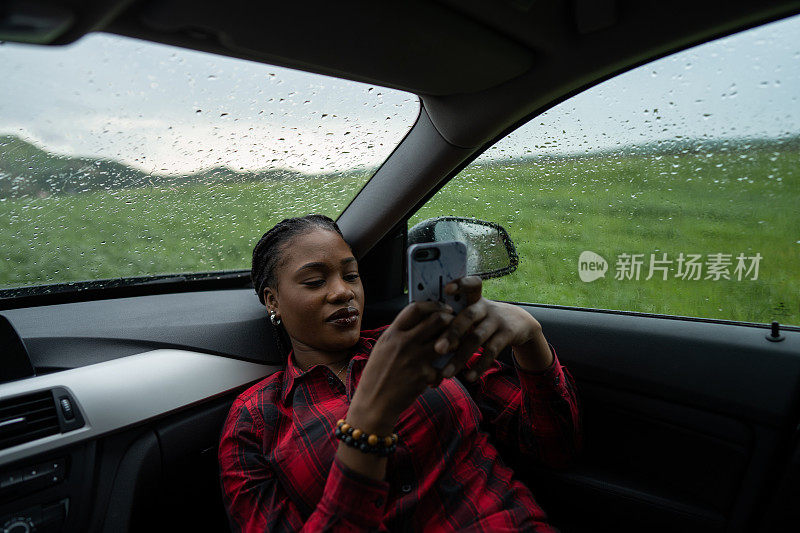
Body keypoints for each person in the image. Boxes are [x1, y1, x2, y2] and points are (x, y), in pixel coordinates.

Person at [219, 214, 581, 532]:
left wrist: (531, 339)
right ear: (272, 300)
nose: (343, 292)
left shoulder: (424, 344)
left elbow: (554, 448)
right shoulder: (253, 421)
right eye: (315, 282)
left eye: (351, 275)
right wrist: (369, 423)